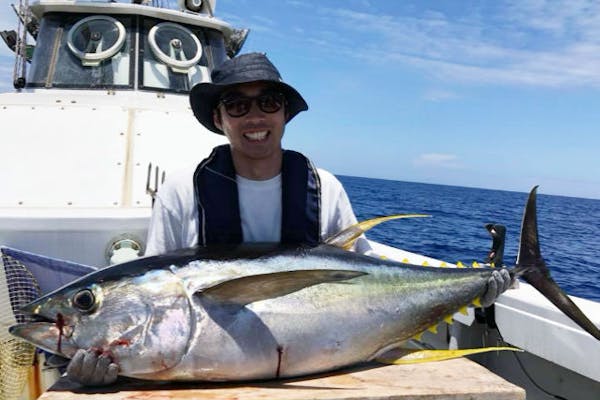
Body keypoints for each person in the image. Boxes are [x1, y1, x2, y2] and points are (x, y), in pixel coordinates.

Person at [66, 52, 512, 386]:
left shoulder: (324, 187)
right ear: (219, 119)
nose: (254, 116)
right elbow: (160, 295)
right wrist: (112, 364)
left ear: (284, 114)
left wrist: (477, 285)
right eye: (236, 106)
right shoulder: (183, 190)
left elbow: (368, 279)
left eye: (268, 102)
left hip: (325, 373)